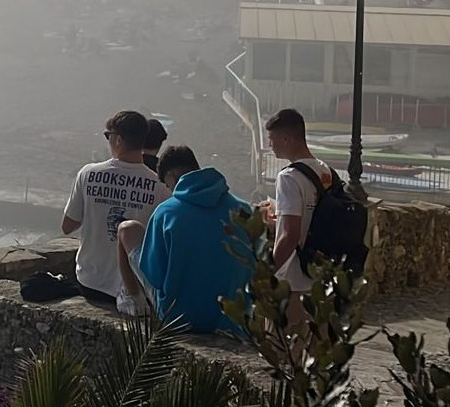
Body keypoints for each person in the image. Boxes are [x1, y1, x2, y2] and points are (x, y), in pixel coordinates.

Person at [116, 144, 254, 329]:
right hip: (234, 317)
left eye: (167, 185)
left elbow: (154, 275)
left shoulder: (166, 213)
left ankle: (131, 300)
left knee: (127, 229)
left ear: (172, 177)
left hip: (180, 317)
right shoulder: (243, 209)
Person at [61, 110, 163, 306]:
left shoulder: (88, 174)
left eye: (109, 136)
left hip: (91, 283)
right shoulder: (159, 186)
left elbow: (68, 226)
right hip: (136, 287)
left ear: (119, 140)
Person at [264, 108, 335, 322]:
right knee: (316, 349)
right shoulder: (325, 171)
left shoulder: (288, 177)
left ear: (286, 139)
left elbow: (291, 235)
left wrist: (268, 274)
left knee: (286, 348)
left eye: (272, 139)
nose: (270, 145)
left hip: (294, 280)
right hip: (320, 277)